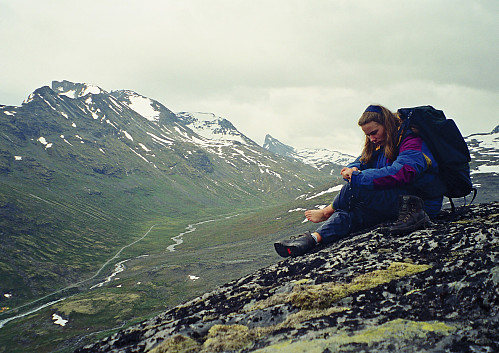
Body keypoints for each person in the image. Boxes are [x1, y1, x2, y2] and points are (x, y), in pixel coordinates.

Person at [274, 104, 445, 258]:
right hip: (395, 202)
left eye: (374, 132)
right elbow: (360, 161)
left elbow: (404, 172)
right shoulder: (380, 143)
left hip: (418, 203)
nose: (371, 138)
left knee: (356, 188)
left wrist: (357, 177)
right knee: (351, 214)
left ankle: (326, 212)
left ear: (387, 124)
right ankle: (312, 239)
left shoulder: (412, 141)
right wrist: (353, 169)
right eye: (367, 135)